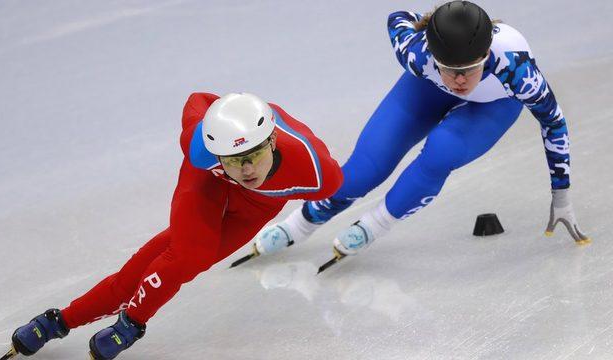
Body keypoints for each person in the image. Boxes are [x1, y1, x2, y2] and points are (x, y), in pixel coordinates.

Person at [245, 0, 590, 269]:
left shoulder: (517, 72)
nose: (459, 80)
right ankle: (300, 224)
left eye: (469, 69)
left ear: (486, 56)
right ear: (434, 56)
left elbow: (554, 123)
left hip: (493, 104)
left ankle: (374, 225)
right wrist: (430, 22)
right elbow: (398, 16)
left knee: (442, 151)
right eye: (451, 69)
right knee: (365, 169)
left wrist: (561, 197)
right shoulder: (415, 53)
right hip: (426, 87)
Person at [4, 92, 342, 359]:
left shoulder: (317, 171)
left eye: (254, 154)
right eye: (235, 160)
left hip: (255, 208)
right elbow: (199, 100)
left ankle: (61, 321)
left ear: (270, 141)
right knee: (187, 256)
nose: (247, 169)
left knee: (170, 261)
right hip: (207, 184)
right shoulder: (200, 149)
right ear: (217, 153)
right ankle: (111, 324)